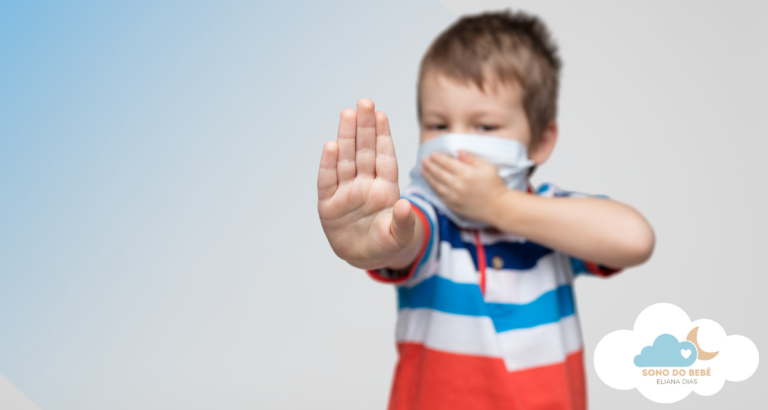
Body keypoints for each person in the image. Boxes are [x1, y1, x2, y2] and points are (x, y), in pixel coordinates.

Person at [316, 10, 654, 410]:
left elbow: (635, 239)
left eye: (485, 127)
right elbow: (407, 238)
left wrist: (498, 204)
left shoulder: (552, 217)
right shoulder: (428, 214)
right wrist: (376, 240)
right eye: (439, 124)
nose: (457, 144)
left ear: (541, 142)